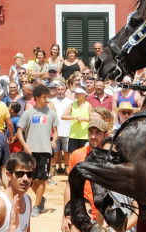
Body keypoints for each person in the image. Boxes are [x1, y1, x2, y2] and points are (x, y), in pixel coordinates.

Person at [16, 84, 58, 217]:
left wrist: (53, 140)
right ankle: (41, 199)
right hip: (30, 151)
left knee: (42, 179)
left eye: (47, 97)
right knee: (30, 180)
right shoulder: (28, 113)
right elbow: (19, 131)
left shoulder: (51, 113)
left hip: (45, 150)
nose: (47, 100)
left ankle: (36, 205)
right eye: (44, 97)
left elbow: (56, 132)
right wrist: (25, 145)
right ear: (36, 98)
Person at [50, 82, 73, 174]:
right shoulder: (52, 101)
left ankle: (67, 167)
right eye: (58, 89)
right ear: (56, 91)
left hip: (67, 129)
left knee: (66, 151)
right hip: (55, 130)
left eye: (62, 89)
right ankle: (53, 168)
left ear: (65, 90)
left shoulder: (70, 102)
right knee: (55, 150)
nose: (60, 91)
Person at [61, 86, 91, 154]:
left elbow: (92, 119)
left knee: (84, 155)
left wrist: (83, 119)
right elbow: (63, 116)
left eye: (78, 93)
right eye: (76, 93)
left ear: (84, 94)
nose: (76, 94)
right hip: (73, 135)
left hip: (85, 135)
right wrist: (73, 117)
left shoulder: (88, 105)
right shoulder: (72, 104)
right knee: (73, 155)